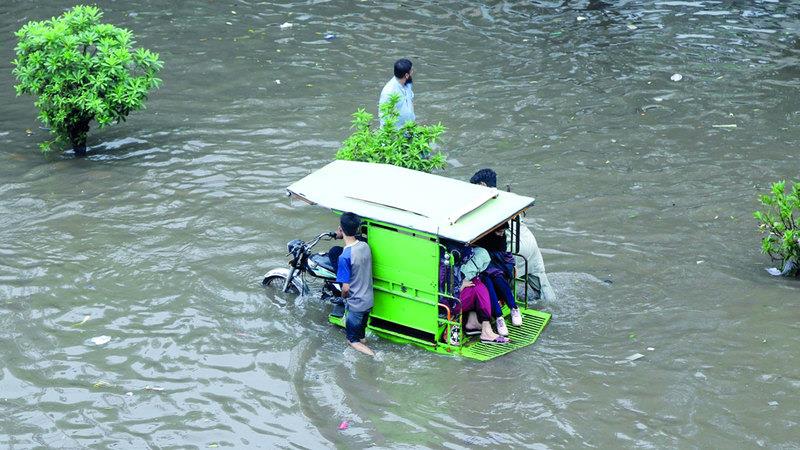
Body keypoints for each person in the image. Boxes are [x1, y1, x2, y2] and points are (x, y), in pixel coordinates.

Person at [470, 169, 556, 301]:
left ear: (482, 185)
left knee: (503, 276)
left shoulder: (484, 203)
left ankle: (509, 306)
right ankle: (552, 305)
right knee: (541, 281)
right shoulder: (508, 197)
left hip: (514, 247)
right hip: (530, 242)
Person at [335, 212, 375, 356]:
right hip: (368, 301)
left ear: (340, 229)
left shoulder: (344, 256)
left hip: (356, 304)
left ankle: (375, 357)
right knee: (361, 337)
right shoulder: (365, 246)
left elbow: (346, 288)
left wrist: (343, 297)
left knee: (353, 341)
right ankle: (365, 350)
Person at [379, 58, 415, 128]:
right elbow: (383, 115)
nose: (412, 72)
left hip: (409, 128)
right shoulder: (388, 91)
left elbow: (411, 100)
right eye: (411, 71)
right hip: (397, 133)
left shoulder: (408, 84)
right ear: (406, 75)